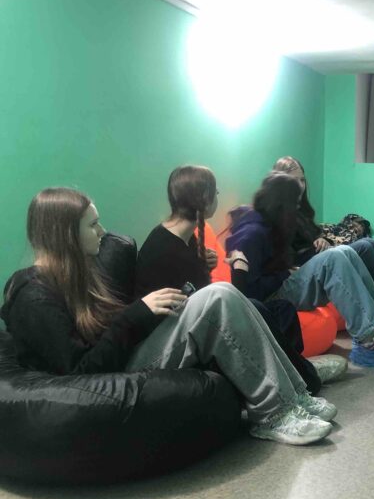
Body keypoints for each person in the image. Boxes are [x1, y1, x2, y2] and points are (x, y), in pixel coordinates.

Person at [1, 187, 338, 445]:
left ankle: (295, 395)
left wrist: (154, 312)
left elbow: (107, 331)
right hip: (107, 379)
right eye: (92, 225)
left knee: (226, 294)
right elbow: (80, 373)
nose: (102, 231)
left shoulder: (77, 276)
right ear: (65, 235)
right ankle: (273, 413)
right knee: (217, 298)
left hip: (123, 358)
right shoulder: (33, 296)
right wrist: (137, 315)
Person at [134, 165, 346, 390]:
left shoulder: (189, 239)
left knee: (278, 309)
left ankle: (297, 370)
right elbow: (189, 305)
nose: (218, 195)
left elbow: (197, 290)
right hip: (171, 335)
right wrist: (239, 269)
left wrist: (204, 266)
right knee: (257, 309)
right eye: (215, 191)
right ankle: (302, 376)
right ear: (204, 197)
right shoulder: (162, 245)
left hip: (193, 319)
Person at [226, 172, 374, 368]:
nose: (297, 209)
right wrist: (285, 274)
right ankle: (368, 341)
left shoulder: (270, 224)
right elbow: (249, 293)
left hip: (282, 283)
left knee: (344, 251)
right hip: (270, 299)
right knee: (333, 259)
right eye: (294, 204)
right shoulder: (251, 234)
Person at [272, 156, 374, 331]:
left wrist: (323, 239)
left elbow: (313, 235)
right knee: (345, 252)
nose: (300, 185)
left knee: (368, 245)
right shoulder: (275, 213)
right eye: (294, 180)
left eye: (302, 180)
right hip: (307, 269)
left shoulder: (300, 208)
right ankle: (373, 326)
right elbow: (281, 254)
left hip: (319, 256)